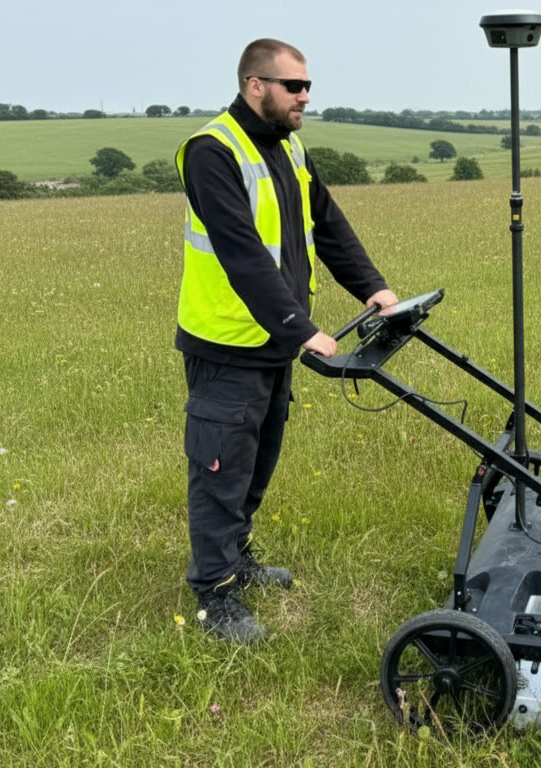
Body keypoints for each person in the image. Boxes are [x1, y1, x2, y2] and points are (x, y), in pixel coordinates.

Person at [175, 38, 397, 643]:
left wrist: (372, 288)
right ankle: (214, 593)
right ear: (255, 86)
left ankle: (236, 559)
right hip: (226, 344)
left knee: (255, 463)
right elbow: (242, 255)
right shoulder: (211, 152)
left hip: (272, 343)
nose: (304, 97)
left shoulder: (288, 146)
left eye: (308, 87)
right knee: (220, 467)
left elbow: (327, 222)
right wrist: (304, 331)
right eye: (293, 86)